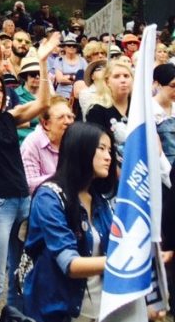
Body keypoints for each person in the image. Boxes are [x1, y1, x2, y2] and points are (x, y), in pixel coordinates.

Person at [0, 32, 57, 313]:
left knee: (23, 271)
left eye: (1, 91)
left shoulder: (9, 117)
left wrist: (42, 62)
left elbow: (43, 103)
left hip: (22, 200)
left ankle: (15, 317)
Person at [22, 122, 116, 322]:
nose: (108, 157)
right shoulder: (49, 198)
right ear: (81, 149)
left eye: (110, 150)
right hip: (62, 310)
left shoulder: (100, 199)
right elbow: (70, 264)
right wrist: (123, 263)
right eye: (101, 149)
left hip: (103, 309)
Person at [20, 97, 75, 193]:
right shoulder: (32, 143)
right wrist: (62, 176)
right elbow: (30, 185)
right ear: (46, 124)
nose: (68, 122)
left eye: (70, 117)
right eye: (61, 117)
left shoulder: (74, 140)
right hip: (43, 202)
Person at [86, 61, 133, 160]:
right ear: (107, 82)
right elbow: (97, 147)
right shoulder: (97, 110)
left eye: (126, 76)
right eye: (116, 76)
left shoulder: (139, 107)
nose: (123, 80)